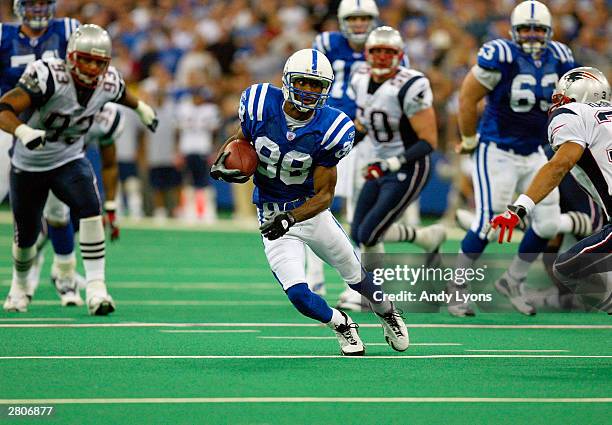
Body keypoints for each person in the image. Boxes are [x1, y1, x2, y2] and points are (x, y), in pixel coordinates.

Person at [210, 48, 409, 355]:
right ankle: (342, 324)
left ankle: (388, 312)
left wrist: (291, 218)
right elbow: (241, 139)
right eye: (303, 82)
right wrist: (224, 159)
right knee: (299, 296)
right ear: (288, 80)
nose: (309, 91)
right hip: (270, 214)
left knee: (358, 279)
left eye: (317, 85)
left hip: (310, 214)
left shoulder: (332, 128)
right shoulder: (260, 104)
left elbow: (325, 196)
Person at [0, 24, 158, 314]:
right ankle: (19, 286)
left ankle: (97, 289)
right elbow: (4, 108)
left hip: (67, 158)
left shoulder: (108, 82)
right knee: (27, 235)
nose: (91, 67)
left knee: (90, 207)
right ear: (71, 56)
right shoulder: (49, 75)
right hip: (29, 161)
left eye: (99, 62)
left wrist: (141, 108)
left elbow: (123, 94)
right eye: (85, 59)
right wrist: (23, 132)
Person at [452, 0, 577, 317]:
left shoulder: (561, 58)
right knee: (487, 221)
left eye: (538, 29)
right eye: (526, 29)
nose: (532, 35)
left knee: (548, 223)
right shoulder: (501, 55)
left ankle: (513, 280)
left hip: (534, 151)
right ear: (513, 31)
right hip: (497, 150)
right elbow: (468, 97)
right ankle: (457, 288)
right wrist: (468, 139)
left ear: (548, 32)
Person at [490, 66, 611, 312]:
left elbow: (559, 165)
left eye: (561, 97)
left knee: (567, 268)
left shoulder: (573, 114)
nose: (556, 104)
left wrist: (519, 208)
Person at [0, 0, 85, 303]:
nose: (37, 10)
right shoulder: (3, 36)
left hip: (53, 130)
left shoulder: (69, 31)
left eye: (42, 3)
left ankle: (65, 277)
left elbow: (87, 74)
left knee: (58, 211)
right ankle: (23, 281)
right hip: (8, 126)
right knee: (23, 214)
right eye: (31, 4)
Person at [350, 26, 446, 261]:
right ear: (366, 53)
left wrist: (391, 164)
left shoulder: (410, 85)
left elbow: (428, 141)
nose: (382, 56)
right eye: (376, 50)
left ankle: (372, 294)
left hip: (410, 165)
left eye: (388, 51)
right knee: (357, 232)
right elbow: (363, 125)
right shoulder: (360, 78)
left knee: (369, 233)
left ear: (400, 55)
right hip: (380, 162)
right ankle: (425, 238)